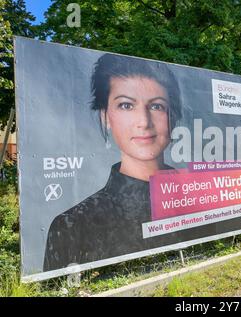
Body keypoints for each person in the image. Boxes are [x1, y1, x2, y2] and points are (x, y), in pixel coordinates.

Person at [43, 53, 182, 271]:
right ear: (105, 117)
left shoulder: (198, 199)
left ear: (172, 117)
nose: (144, 122)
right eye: (126, 105)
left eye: (157, 106)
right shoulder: (73, 225)